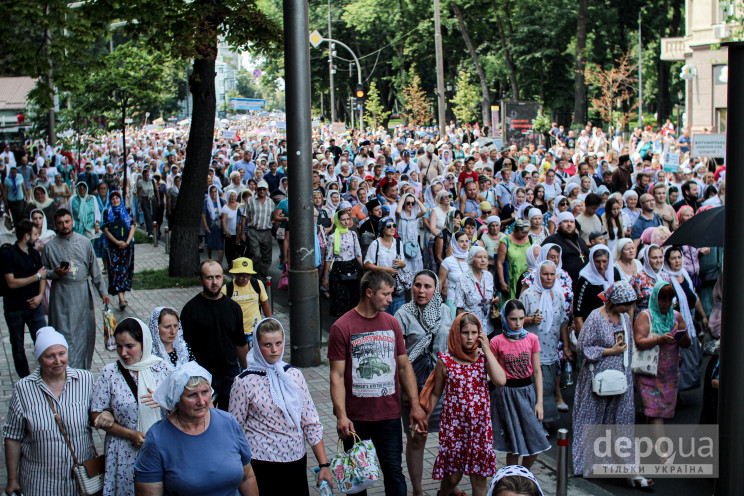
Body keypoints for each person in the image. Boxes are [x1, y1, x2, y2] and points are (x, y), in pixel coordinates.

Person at [328, 270, 427, 496]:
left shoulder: (392, 323)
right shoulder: (342, 327)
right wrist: (341, 415)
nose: (391, 299)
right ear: (369, 293)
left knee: (393, 472)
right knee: (357, 478)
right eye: (386, 294)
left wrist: (415, 404)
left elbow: (404, 367)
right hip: (356, 419)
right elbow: (336, 375)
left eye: (392, 294)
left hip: (388, 416)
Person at [229, 318, 333, 496]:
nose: (274, 350)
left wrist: (323, 464)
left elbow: (311, 422)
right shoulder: (243, 381)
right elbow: (234, 428)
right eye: (267, 344)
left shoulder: (294, 375)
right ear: (256, 345)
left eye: (278, 343)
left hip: (295, 459)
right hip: (260, 461)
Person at [4, 327, 112, 496]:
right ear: (39, 358)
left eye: (62, 354)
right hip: (40, 484)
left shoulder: (84, 380)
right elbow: (12, 437)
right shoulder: (23, 389)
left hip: (82, 481)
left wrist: (105, 415)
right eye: (50, 356)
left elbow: (99, 413)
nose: (58, 360)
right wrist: (12, 479)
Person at [134, 362, 259, 495]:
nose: (201, 401)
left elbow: (247, 477)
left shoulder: (228, 422)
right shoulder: (158, 438)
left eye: (205, 392)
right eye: (192, 395)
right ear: (176, 399)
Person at [571, 281, 651, 487]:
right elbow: (583, 348)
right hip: (596, 379)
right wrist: (609, 351)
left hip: (621, 378)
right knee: (592, 420)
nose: (630, 308)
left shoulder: (625, 318)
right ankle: (587, 464)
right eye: (626, 304)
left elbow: (629, 347)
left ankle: (630, 469)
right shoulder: (595, 318)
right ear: (615, 302)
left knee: (623, 423)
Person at [419, 312, 505, 496]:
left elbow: (500, 380)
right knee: (452, 477)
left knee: (479, 479)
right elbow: (435, 393)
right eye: (465, 332)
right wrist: (424, 417)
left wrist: (488, 350)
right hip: (454, 429)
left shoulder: (483, 359)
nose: (470, 337)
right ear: (456, 334)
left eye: (474, 332)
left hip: (479, 428)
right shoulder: (445, 361)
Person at [90, 318, 172, 496]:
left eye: (129, 346)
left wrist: (164, 401)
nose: (123, 353)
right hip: (124, 452)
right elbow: (96, 414)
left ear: (144, 343)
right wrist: (129, 434)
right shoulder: (110, 373)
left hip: (162, 448)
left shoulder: (163, 369)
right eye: (119, 346)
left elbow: (180, 407)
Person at [394, 271, 453, 496]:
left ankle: (448, 486)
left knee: (449, 438)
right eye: (417, 285)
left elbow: (450, 346)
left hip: (442, 385)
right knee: (417, 439)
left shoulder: (445, 311)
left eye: (427, 286)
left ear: (435, 289)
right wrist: (406, 391)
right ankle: (418, 490)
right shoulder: (403, 314)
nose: (421, 290)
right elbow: (397, 356)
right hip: (414, 387)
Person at [42, 209, 109, 369]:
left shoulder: (84, 242)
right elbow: (43, 272)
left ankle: (82, 371)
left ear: (72, 221)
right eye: (60, 223)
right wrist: (55, 273)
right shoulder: (49, 246)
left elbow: (95, 270)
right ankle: (64, 370)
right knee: (64, 334)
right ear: (56, 225)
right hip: (61, 297)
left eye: (67, 222)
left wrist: (103, 292)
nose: (64, 226)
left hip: (82, 295)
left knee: (83, 335)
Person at [489, 300, 551, 468]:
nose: (517, 323)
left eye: (521, 319)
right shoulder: (496, 341)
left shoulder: (532, 339)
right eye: (513, 319)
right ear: (504, 318)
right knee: (513, 446)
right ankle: (513, 477)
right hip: (506, 394)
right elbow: (493, 372)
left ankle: (523, 472)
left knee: (537, 439)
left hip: (527, 392)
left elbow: (537, 371)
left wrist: (539, 402)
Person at [181, 260, 248, 410]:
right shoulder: (190, 310)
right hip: (201, 376)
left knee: (229, 419)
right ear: (200, 279)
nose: (214, 282)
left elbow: (240, 343)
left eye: (218, 277)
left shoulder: (233, 308)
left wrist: (248, 373)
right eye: (209, 277)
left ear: (223, 277)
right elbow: (185, 349)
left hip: (229, 375)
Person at [519, 262, 569, 427]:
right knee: (532, 385)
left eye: (552, 274)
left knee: (547, 385)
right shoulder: (528, 295)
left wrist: (566, 346)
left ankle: (544, 418)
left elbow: (563, 322)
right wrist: (531, 320)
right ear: (538, 275)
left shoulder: (558, 295)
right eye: (545, 274)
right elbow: (516, 320)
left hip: (550, 349)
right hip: (530, 349)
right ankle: (533, 422)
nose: (548, 278)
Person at [633, 282, 690, 426]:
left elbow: (687, 343)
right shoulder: (645, 316)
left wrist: (682, 336)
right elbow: (639, 341)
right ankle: (662, 449)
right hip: (649, 372)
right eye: (662, 299)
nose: (666, 304)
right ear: (655, 299)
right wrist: (659, 339)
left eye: (669, 300)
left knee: (655, 413)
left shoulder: (676, 317)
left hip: (669, 373)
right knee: (654, 412)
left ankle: (651, 446)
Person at [1, 220, 47, 378]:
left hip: (35, 306)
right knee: (17, 344)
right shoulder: (7, 254)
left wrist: (40, 296)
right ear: (26, 236)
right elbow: (11, 282)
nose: (37, 237)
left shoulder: (34, 254)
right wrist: (36, 277)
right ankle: (25, 377)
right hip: (15, 308)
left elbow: (43, 276)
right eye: (35, 234)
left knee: (43, 340)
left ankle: (45, 374)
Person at [662, 246, 705, 392]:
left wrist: (703, 317)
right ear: (667, 261)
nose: (677, 261)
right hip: (674, 325)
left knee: (693, 357)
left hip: (689, 322)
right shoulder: (665, 278)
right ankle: (675, 394)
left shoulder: (685, 274)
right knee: (678, 360)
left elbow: (694, 296)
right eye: (673, 258)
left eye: (679, 257)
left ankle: (679, 392)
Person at [364, 216, 410, 315]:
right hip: (380, 284)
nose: (392, 228)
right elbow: (367, 264)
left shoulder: (398, 243)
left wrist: (403, 263)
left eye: (394, 225)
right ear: (382, 228)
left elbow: (402, 262)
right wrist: (385, 269)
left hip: (396, 286)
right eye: (389, 226)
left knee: (399, 316)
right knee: (382, 315)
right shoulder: (375, 244)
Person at [324, 210, 364, 318]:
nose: (346, 222)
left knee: (353, 297)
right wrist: (325, 278)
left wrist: (364, 270)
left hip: (351, 267)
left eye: (348, 219)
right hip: (338, 269)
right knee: (340, 298)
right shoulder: (332, 237)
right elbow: (328, 258)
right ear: (338, 221)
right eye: (343, 220)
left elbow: (358, 254)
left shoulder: (353, 234)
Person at [222, 257, 271, 346]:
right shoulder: (227, 289)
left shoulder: (257, 284)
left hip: (255, 330)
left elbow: (265, 303)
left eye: (248, 275)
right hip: (236, 332)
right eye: (241, 275)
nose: (245, 279)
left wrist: (270, 321)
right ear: (235, 274)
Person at [573, 245, 621, 334]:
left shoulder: (614, 273)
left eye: (604, 261)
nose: (601, 266)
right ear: (591, 261)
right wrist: (583, 339)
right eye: (597, 262)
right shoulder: (585, 279)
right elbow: (578, 314)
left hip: (613, 326)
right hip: (592, 329)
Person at [102, 190, 135, 310]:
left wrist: (126, 242)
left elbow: (132, 226)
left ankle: (123, 296)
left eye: (117, 198)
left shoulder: (127, 211)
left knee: (126, 270)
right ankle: (121, 299)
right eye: (113, 198)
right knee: (116, 271)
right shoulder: (107, 212)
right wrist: (117, 242)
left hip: (127, 247)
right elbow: (105, 229)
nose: (115, 200)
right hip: (114, 247)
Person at [455, 246, 499, 336]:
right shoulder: (463, 279)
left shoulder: (489, 276)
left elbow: (490, 296)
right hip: (471, 330)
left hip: (488, 327)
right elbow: (459, 307)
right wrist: (458, 329)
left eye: (485, 257)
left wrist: (494, 300)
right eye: (479, 257)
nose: (483, 260)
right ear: (472, 260)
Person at [541, 212, 590, 285]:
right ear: (559, 224)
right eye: (566, 221)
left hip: (583, 282)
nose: (569, 224)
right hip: (563, 282)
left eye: (572, 222)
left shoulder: (580, 240)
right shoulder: (551, 240)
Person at [244, 180, 274, 280]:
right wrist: (242, 233)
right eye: (260, 189)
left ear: (267, 190)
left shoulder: (270, 202)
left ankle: (263, 274)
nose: (261, 191)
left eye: (263, 189)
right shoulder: (250, 200)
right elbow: (244, 216)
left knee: (267, 255)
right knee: (256, 254)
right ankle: (255, 275)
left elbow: (275, 216)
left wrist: (273, 223)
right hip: (254, 230)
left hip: (266, 231)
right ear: (256, 189)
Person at [497, 218, 533, 299]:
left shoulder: (530, 240)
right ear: (515, 230)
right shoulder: (506, 241)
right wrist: (502, 282)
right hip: (512, 278)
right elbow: (500, 263)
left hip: (527, 278)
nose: (524, 235)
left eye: (526, 233)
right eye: (522, 232)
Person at [439, 231, 470, 316]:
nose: (465, 244)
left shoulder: (472, 258)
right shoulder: (448, 261)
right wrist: (436, 301)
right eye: (461, 241)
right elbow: (440, 281)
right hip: (453, 299)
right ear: (454, 243)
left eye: (466, 241)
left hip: (470, 299)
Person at [396, 192, 427, 274]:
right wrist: (402, 199)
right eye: (408, 203)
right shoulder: (400, 215)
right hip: (402, 244)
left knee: (415, 268)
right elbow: (398, 211)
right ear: (404, 204)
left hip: (413, 245)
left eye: (413, 203)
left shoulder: (414, 215)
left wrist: (417, 200)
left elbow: (424, 211)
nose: (410, 205)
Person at [629, 244, 666, 313]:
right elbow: (631, 305)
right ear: (647, 259)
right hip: (645, 319)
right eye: (654, 258)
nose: (658, 260)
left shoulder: (665, 277)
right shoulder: (638, 278)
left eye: (660, 257)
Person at [202, 185, 226, 264]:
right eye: (212, 192)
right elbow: (203, 215)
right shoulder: (206, 201)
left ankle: (220, 262)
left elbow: (225, 212)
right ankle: (210, 258)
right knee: (210, 244)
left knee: (220, 245)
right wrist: (205, 226)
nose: (214, 194)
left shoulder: (221, 201)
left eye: (215, 191)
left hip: (220, 226)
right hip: (210, 225)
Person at [136, 168, 158, 238]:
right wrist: (140, 198)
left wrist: (158, 200)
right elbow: (138, 191)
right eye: (145, 175)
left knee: (153, 215)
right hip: (145, 199)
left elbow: (156, 190)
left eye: (148, 175)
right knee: (147, 215)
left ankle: (153, 229)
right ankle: (150, 232)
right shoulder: (140, 182)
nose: (147, 177)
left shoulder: (152, 180)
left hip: (152, 198)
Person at [222, 190, 241, 267]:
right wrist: (226, 230)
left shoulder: (239, 206)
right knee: (229, 250)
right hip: (229, 233)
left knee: (237, 250)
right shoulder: (225, 207)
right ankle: (230, 264)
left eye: (234, 196)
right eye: (231, 196)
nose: (233, 198)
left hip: (238, 232)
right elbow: (223, 220)